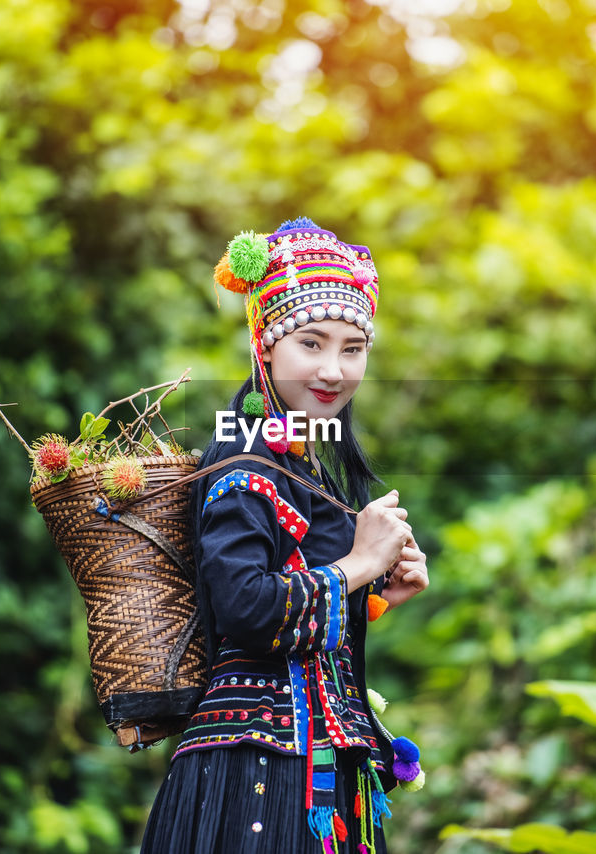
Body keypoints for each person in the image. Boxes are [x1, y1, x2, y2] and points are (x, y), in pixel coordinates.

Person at [139, 217, 430, 853]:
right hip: (253, 775)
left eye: (353, 349)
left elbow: (292, 616)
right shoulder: (244, 460)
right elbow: (246, 610)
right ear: (265, 346)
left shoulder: (303, 460)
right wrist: (356, 565)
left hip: (306, 768)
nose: (333, 369)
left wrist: (375, 594)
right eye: (311, 343)